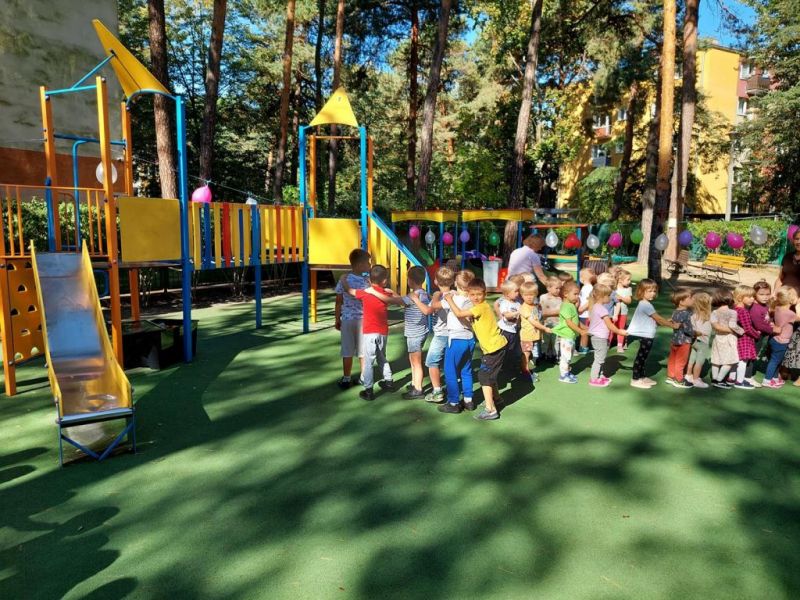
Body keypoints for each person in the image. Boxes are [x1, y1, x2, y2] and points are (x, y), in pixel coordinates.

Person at [443, 278, 508, 421]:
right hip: (496, 346)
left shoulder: (480, 307)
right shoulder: (482, 307)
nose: (475, 297)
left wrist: (449, 299)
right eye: (472, 294)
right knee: (489, 375)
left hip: (493, 348)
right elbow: (471, 321)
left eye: (479, 294)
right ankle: (497, 399)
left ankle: (491, 410)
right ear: (468, 294)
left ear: (485, 294)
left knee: (484, 377)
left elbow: (459, 313)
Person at [341, 265, 400, 401]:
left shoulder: (365, 292)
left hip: (369, 333)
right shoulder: (385, 293)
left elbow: (350, 291)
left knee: (368, 362)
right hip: (383, 332)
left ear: (369, 280)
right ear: (384, 281)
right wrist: (391, 291)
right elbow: (399, 300)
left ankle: (368, 390)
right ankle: (389, 381)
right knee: (382, 357)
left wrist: (344, 279)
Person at [408, 266, 455, 404]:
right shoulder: (454, 293)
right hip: (453, 333)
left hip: (441, 334)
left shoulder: (439, 298)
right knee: (449, 362)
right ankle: (453, 390)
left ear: (435, 281)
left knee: (431, 362)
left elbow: (429, 309)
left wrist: (416, 300)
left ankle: (437, 391)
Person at [627, 279, 677, 389]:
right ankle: (635, 379)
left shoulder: (646, 304)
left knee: (644, 357)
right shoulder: (645, 305)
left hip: (648, 334)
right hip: (645, 335)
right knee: (641, 357)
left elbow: (654, 320)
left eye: (654, 291)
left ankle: (642, 377)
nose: (653, 294)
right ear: (641, 292)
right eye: (649, 291)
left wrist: (667, 321)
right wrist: (672, 325)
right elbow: (658, 319)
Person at [439, 270, 477, 414]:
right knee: (466, 370)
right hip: (470, 338)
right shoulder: (473, 300)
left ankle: (453, 402)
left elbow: (436, 305)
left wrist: (447, 294)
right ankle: (468, 400)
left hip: (456, 338)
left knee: (450, 371)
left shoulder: (453, 298)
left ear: (456, 283)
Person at [334, 249, 371, 389]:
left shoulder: (344, 279)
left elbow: (338, 301)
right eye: (368, 262)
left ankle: (346, 378)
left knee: (347, 350)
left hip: (347, 319)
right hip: (363, 320)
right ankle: (363, 377)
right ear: (360, 264)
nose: (370, 265)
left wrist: (337, 319)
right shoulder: (367, 281)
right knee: (363, 351)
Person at [587, 284, 628, 387]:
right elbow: (609, 325)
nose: (610, 297)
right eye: (608, 295)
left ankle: (600, 376)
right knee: (599, 359)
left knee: (601, 358)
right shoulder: (602, 309)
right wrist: (620, 332)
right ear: (601, 296)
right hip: (599, 338)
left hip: (597, 337)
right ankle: (594, 379)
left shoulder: (595, 307)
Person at [400, 266, 430, 399]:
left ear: (410, 281)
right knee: (413, 360)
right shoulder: (424, 293)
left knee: (416, 363)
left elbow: (397, 301)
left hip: (414, 334)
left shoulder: (412, 296)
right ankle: (414, 383)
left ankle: (418, 389)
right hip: (421, 331)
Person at [775, 228, 800, 384]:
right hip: (784, 302)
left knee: (798, 337)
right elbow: (780, 278)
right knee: (784, 333)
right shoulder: (787, 257)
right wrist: (775, 294)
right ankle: (783, 367)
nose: (799, 242)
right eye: (797, 239)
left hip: (798, 304)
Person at [552, 280, 587, 384]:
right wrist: (581, 331)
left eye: (578, 294)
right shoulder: (566, 306)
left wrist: (585, 328)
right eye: (575, 294)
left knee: (569, 355)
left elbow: (576, 320)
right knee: (565, 356)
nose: (577, 297)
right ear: (566, 294)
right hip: (566, 336)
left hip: (571, 336)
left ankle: (567, 372)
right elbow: (569, 322)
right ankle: (563, 375)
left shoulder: (571, 305)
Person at [764, 286, 800, 387]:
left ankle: (774, 378)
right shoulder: (790, 314)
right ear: (791, 299)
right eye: (796, 296)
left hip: (775, 338)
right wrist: (798, 306)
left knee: (777, 360)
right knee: (775, 361)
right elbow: (799, 318)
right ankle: (767, 380)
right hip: (781, 341)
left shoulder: (778, 308)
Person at [710, 289, 743, 389]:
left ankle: (714, 379)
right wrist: (741, 331)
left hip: (718, 337)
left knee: (716, 358)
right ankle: (719, 380)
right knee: (730, 360)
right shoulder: (732, 312)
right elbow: (732, 325)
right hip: (729, 338)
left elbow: (715, 326)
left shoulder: (714, 312)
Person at [519, 281, 551, 381]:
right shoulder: (524, 308)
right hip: (527, 336)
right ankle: (525, 372)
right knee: (526, 354)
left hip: (534, 335)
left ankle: (527, 370)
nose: (529, 297)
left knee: (530, 354)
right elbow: (533, 321)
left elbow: (538, 318)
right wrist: (544, 328)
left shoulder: (534, 306)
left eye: (531, 294)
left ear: (536, 294)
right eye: (526, 295)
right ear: (522, 295)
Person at [732, 284, 760, 390]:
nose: (752, 299)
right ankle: (739, 381)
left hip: (737, 338)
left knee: (736, 360)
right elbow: (747, 328)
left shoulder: (735, 309)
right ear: (740, 297)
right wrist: (757, 334)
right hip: (745, 339)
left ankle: (732, 379)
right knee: (743, 361)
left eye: (753, 296)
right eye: (749, 297)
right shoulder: (743, 311)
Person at [666, 288, 695, 388]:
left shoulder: (675, 312)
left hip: (674, 339)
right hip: (684, 341)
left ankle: (671, 376)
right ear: (681, 302)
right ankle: (679, 380)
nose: (693, 299)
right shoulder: (687, 313)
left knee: (672, 358)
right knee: (681, 361)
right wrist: (695, 334)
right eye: (690, 298)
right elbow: (688, 329)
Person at [685, 292, 712, 389]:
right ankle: (696, 379)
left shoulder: (693, 315)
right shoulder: (709, 316)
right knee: (700, 361)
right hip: (703, 342)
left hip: (694, 341)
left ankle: (688, 375)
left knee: (692, 358)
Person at [495, 280, 522, 372]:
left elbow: (519, 318)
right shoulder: (504, 303)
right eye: (515, 291)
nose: (518, 293)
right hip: (504, 330)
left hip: (513, 330)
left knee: (510, 349)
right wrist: (518, 312)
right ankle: (498, 365)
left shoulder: (518, 303)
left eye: (518, 291)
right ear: (507, 294)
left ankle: (507, 366)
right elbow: (506, 315)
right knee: (502, 349)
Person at [539, 276, 563, 361]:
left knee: (555, 340)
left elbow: (561, 311)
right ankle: (544, 354)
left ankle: (554, 355)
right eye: (556, 288)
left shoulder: (559, 299)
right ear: (548, 288)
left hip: (557, 323)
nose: (558, 290)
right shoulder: (543, 297)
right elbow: (542, 311)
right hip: (546, 323)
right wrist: (556, 312)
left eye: (560, 288)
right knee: (545, 339)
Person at [610, 269, 633, 352]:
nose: (630, 281)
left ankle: (620, 345)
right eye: (628, 279)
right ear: (620, 280)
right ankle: (608, 343)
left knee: (621, 328)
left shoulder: (628, 289)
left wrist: (622, 298)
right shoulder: (613, 289)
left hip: (623, 313)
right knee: (611, 327)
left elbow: (629, 301)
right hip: (612, 312)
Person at [577, 268, 596, 354]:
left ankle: (584, 347)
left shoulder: (589, 288)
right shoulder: (585, 287)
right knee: (583, 330)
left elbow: (590, 300)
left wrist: (581, 308)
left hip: (586, 314)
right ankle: (582, 346)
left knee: (585, 331)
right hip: (583, 314)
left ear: (582, 278)